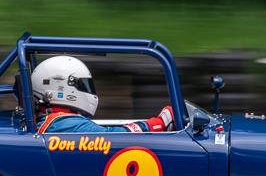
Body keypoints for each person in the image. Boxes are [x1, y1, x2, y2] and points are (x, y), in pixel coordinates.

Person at [31, 55, 174, 134]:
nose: (88, 91)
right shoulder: (63, 123)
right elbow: (113, 138)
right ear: (61, 88)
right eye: (83, 85)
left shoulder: (56, 120)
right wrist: (158, 124)